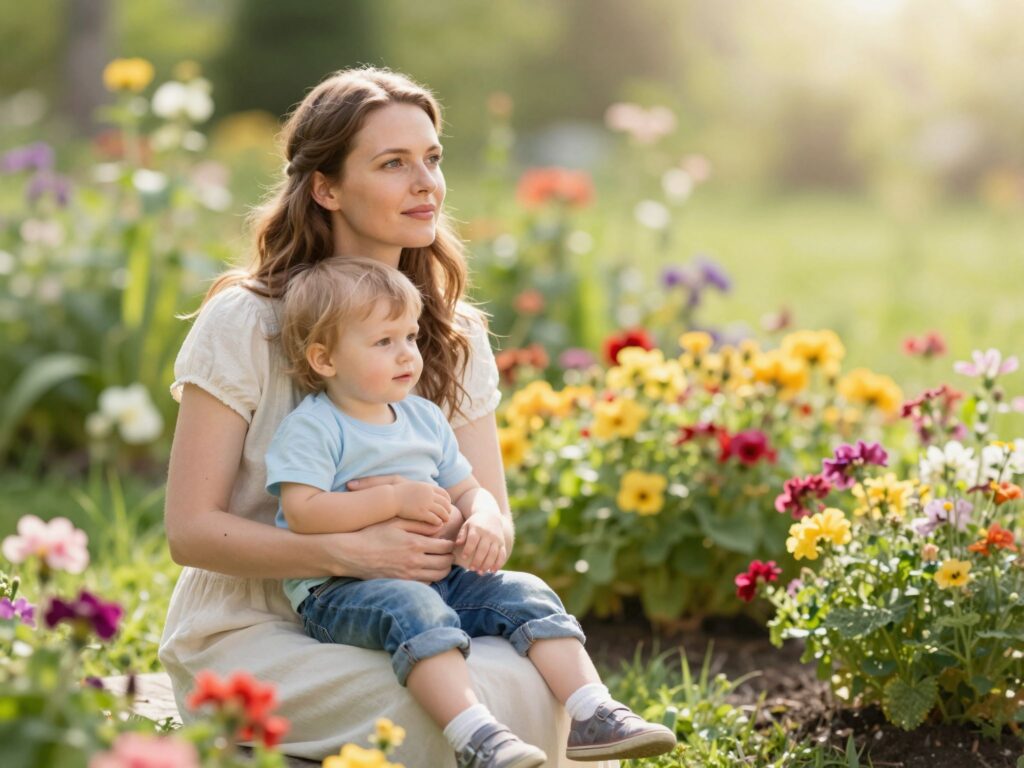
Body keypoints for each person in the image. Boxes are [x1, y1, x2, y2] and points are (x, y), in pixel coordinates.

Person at [159, 66, 628, 766]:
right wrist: (343, 550)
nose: (426, 183)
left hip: (418, 608)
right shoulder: (248, 321)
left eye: (432, 159)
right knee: (423, 709)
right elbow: (190, 532)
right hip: (251, 626)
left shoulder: (452, 333)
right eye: (393, 163)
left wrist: (480, 527)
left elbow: (489, 508)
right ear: (326, 187)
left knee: (525, 687)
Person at [264, 257, 677, 767]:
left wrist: (482, 516)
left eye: (410, 337)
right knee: (415, 610)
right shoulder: (316, 427)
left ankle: (593, 713)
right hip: (341, 591)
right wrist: (394, 499)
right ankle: (477, 736)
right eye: (382, 342)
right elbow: (302, 511)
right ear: (325, 360)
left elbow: (468, 488)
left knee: (526, 592)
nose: (406, 355)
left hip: (441, 576)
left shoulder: (423, 417)